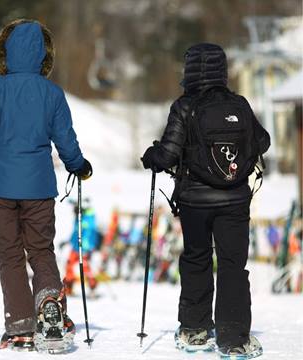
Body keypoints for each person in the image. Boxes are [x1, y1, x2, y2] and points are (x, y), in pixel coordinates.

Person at [0, 19, 92, 352]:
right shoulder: (53, 93)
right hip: (38, 188)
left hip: (0, 186)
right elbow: (66, 141)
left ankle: (20, 324)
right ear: (44, 55)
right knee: (41, 251)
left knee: (10, 255)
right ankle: (50, 306)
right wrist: (80, 166)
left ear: (4, 53)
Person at [142, 43, 270, 358]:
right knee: (232, 265)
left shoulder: (184, 106)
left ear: (189, 71)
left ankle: (195, 329)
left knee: (197, 259)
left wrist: (152, 156)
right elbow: (263, 141)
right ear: (222, 70)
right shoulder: (238, 103)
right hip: (235, 200)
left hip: (195, 201)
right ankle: (234, 336)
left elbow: (168, 154)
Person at [63, 200, 98, 295]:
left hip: (84, 247)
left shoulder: (88, 218)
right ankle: (69, 287)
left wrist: (86, 247)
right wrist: (68, 241)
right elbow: (75, 232)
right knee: (69, 265)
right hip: (75, 246)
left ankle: (93, 286)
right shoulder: (77, 218)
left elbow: (89, 233)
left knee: (85, 267)